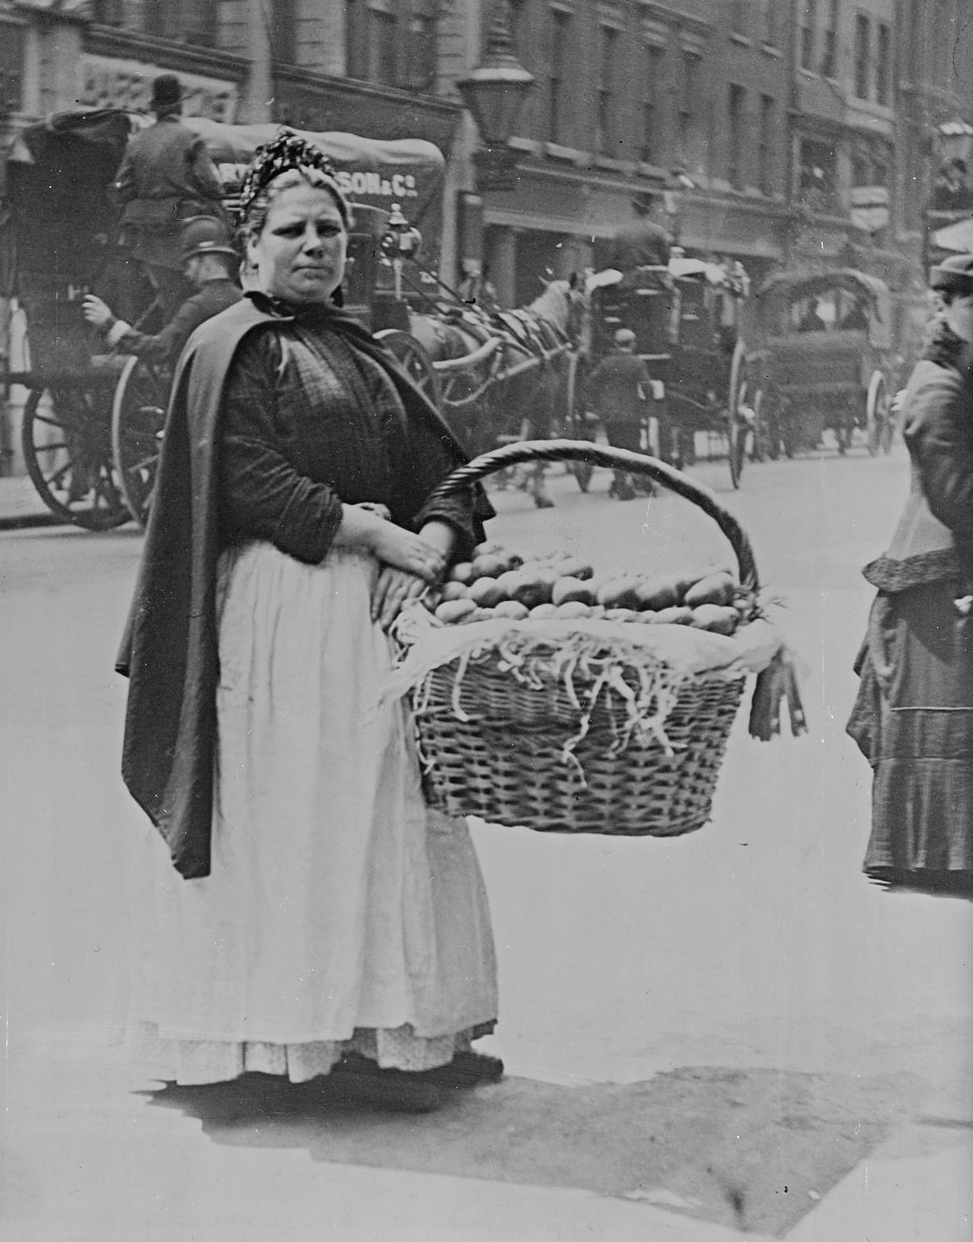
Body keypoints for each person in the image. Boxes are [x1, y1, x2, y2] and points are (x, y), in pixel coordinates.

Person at [117, 131, 500, 1112]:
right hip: (279, 618)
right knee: (287, 817)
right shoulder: (229, 346)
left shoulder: (359, 348)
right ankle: (260, 1044)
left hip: (376, 621)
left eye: (331, 228)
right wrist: (372, 532)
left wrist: (435, 546)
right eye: (293, 229)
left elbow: (447, 470)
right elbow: (247, 478)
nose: (317, 244)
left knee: (385, 820)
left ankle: (390, 1038)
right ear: (250, 248)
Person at [847, 253, 973, 898]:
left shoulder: (961, 372)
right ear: (946, 309)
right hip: (941, 572)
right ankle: (934, 854)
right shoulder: (936, 387)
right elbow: (954, 494)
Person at [113, 74, 224, 319]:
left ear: (155, 108)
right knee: (190, 300)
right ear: (180, 106)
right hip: (185, 231)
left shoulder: (137, 141)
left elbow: (122, 187)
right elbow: (212, 185)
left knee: (168, 297)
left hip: (148, 239)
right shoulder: (190, 139)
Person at [82, 217, 242, 368]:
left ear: (205, 261)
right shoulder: (244, 301)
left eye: (190, 264)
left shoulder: (197, 307)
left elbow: (159, 350)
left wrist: (110, 323)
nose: (187, 272)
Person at [585, 327, 656, 499]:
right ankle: (632, 479)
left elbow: (591, 383)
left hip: (610, 415)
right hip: (632, 413)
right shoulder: (637, 363)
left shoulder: (606, 363)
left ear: (616, 344)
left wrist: (596, 404)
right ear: (633, 344)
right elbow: (646, 386)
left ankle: (620, 482)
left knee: (615, 447)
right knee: (633, 446)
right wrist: (648, 403)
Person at [609, 193, 672, 283]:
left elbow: (613, 260)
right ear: (650, 210)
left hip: (628, 282)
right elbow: (666, 260)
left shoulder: (621, 231)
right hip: (652, 282)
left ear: (633, 208)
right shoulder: (659, 231)